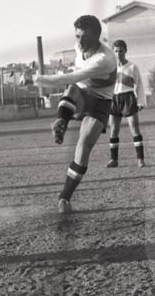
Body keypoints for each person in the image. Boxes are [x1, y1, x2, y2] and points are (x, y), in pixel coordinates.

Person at [34, 15, 116, 213]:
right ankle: (61, 122)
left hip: (101, 101)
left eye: (84, 37)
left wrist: (40, 79)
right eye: (77, 36)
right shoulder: (79, 48)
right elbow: (75, 78)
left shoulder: (104, 59)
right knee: (73, 88)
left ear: (97, 36)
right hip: (81, 93)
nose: (79, 42)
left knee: (84, 145)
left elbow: (73, 76)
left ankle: (64, 199)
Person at [106, 40, 146, 168]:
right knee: (113, 130)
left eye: (121, 51)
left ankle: (140, 159)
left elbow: (140, 85)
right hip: (114, 99)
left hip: (128, 98)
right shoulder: (110, 68)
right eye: (116, 51)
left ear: (125, 51)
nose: (118, 54)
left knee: (134, 129)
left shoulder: (132, 67)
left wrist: (141, 102)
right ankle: (114, 160)